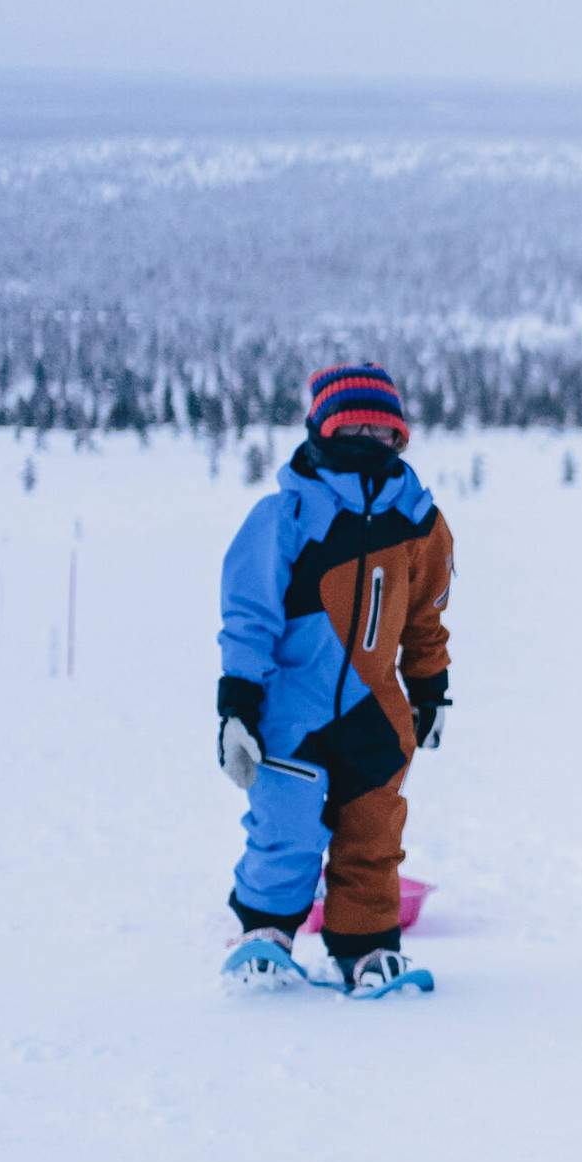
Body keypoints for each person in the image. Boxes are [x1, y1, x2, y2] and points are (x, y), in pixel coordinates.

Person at [213, 362, 455, 998]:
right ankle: (263, 935)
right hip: (291, 715)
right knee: (285, 830)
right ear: (323, 430)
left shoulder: (420, 525)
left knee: (374, 840)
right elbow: (248, 616)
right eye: (355, 427)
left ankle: (368, 949)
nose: (370, 441)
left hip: (377, 715)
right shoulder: (286, 516)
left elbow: (426, 618)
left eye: (384, 430)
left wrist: (430, 690)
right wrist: (236, 705)